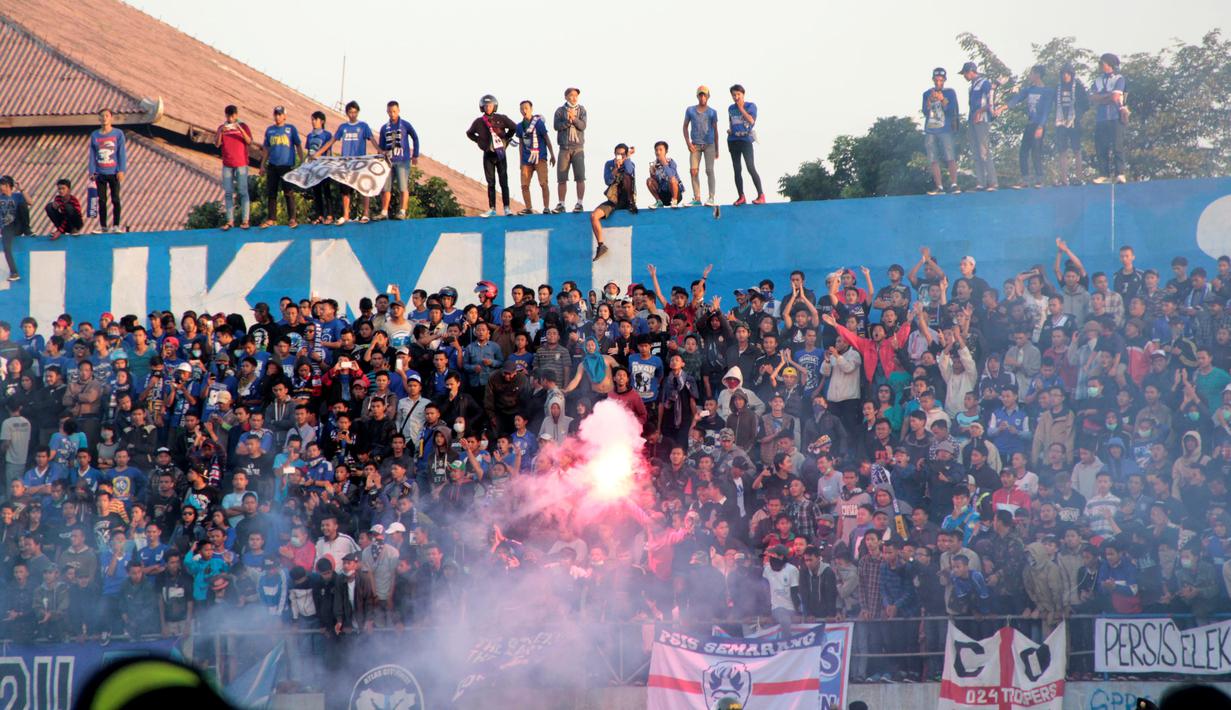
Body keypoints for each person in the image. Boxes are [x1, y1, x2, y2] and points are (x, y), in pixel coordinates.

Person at [313, 100, 381, 225]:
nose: (353, 115)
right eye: (350, 112)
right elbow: (332, 140)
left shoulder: (363, 126)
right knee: (345, 189)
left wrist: (381, 152)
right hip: (346, 163)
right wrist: (318, 153)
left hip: (359, 162)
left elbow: (372, 140)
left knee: (363, 187)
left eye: (355, 112)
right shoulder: (343, 127)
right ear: (347, 113)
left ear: (358, 112)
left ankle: (365, 214)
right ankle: (346, 215)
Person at [997, 65, 1052, 189]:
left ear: (1037, 74)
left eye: (1031, 73)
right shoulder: (1028, 90)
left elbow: (1046, 111)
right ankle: (1025, 179)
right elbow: (1015, 100)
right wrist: (1001, 108)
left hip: (1039, 125)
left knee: (1036, 151)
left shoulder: (1047, 91)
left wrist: (1041, 126)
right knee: (1023, 151)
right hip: (1030, 124)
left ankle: (1039, 179)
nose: (1029, 76)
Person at [466, 95, 517, 218]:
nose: (488, 107)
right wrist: (480, 141)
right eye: (486, 105)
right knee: (491, 182)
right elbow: (469, 133)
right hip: (488, 154)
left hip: (500, 153)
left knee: (504, 181)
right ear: (482, 107)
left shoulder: (501, 118)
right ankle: (492, 208)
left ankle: (507, 208)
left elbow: (514, 127)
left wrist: (506, 139)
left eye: (490, 105)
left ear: (494, 106)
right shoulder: (478, 121)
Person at [590, 144, 637, 261]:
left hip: (626, 198)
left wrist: (627, 159)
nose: (619, 156)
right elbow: (608, 181)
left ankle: (631, 204)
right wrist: (615, 168)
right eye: (618, 154)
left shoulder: (629, 163)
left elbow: (630, 172)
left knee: (626, 177)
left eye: (622, 154)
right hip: (613, 199)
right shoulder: (609, 164)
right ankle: (601, 245)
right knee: (594, 216)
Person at [259, 106, 304, 229]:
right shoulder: (270, 130)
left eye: (280, 114)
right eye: (276, 114)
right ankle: (271, 218)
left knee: (288, 192)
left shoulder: (291, 129)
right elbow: (266, 149)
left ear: (285, 116)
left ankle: (292, 218)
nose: (277, 117)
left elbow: (298, 145)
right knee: (271, 192)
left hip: (286, 165)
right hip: (273, 165)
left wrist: (302, 161)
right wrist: (262, 165)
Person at [377, 100, 421, 221]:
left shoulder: (405, 125)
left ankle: (402, 211)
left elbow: (415, 138)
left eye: (394, 111)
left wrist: (415, 155)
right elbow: (381, 147)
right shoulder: (384, 128)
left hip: (402, 160)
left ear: (399, 110)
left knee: (403, 186)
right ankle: (384, 211)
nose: (392, 114)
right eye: (390, 111)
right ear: (387, 111)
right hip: (388, 161)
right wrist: (381, 158)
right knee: (386, 188)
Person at [1090, 52, 1128, 185]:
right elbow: (1093, 98)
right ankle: (1104, 174)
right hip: (1101, 118)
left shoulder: (1119, 78)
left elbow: (1115, 98)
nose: (1100, 66)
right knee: (1101, 147)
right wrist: (1106, 97)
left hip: (1115, 116)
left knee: (1117, 145)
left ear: (1109, 65)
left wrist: (1103, 98)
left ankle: (1120, 173)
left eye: (1102, 63)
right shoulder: (1097, 80)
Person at [921, 67, 960, 195]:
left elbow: (951, 110)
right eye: (937, 80)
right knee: (932, 158)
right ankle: (939, 186)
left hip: (945, 128)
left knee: (950, 156)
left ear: (944, 80)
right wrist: (929, 101)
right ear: (933, 79)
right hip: (931, 129)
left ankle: (954, 184)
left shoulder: (950, 92)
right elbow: (925, 112)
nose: (939, 82)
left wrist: (942, 99)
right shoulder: (927, 93)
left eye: (941, 80)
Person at [960, 61, 999, 191]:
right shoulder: (971, 87)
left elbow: (991, 101)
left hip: (982, 120)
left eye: (965, 73)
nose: (964, 76)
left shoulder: (984, 83)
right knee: (976, 152)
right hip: (972, 120)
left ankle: (993, 182)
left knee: (984, 151)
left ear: (971, 71)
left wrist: (981, 111)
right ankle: (981, 182)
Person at [214, 105, 253, 231]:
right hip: (227, 164)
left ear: (236, 115)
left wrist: (240, 130)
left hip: (241, 163)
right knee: (228, 192)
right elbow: (217, 144)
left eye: (232, 116)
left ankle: (245, 220)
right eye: (228, 116)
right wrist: (221, 132)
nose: (230, 118)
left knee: (243, 191)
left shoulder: (243, 126)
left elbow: (249, 141)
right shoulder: (222, 127)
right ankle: (230, 221)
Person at [87, 108, 126, 234]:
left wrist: (121, 170)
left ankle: (116, 225)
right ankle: (103, 226)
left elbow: (121, 153)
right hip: (100, 172)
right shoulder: (95, 135)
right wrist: (92, 171)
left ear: (111, 118)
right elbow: (92, 154)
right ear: (99, 118)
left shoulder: (118, 134)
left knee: (115, 199)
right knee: (102, 200)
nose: (104, 118)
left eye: (107, 116)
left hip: (114, 172)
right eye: (102, 116)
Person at [514, 100, 555, 215]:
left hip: (540, 156)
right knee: (524, 184)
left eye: (526, 108)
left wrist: (552, 154)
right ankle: (528, 208)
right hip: (526, 159)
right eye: (522, 109)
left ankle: (546, 207)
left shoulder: (538, 123)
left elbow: (546, 138)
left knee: (543, 182)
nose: (524, 111)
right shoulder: (519, 126)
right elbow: (521, 143)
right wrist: (521, 161)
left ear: (531, 109)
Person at [726, 84, 764, 205]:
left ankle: (761, 195)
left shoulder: (751, 106)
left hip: (746, 140)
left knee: (750, 167)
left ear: (743, 94)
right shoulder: (730, 108)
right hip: (733, 140)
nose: (736, 97)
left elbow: (751, 121)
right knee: (737, 169)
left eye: (738, 94)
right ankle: (741, 196)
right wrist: (730, 130)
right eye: (733, 95)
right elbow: (731, 122)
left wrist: (741, 108)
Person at [552, 87, 587, 214]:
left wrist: (574, 119)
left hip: (578, 147)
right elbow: (556, 126)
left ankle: (579, 203)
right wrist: (568, 121)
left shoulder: (582, 110)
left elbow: (583, 126)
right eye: (571, 95)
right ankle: (561, 204)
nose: (574, 97)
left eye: (576, 95)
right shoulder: (560, 111)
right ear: (566, 97)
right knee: (561, 178)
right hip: (564, 147)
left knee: (580, 177)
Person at [683, 86, 720, 207]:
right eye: (700, 95)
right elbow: (685, 127)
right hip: (695, 145)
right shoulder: (690, 110)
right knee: (693, 170)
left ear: (708, 96)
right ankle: (697, 197)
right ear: (697, 96)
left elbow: (715, 130)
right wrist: (688, 143)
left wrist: (717, 149)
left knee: (709, 170)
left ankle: (711, 197)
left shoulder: (712, 112)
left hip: (709, 144)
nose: (702, 97)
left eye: (704, 95)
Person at [1053, 63, 1089, 186]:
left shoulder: (1078, 86)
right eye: (1063, 73)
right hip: (1060, 122)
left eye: (1068, 73)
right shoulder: (1057, 88)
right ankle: (1064, 179)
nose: (1065, 76)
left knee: (1077, 149)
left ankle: (1079, 177)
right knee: (1062, 150)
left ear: (1072, 74)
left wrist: (1079, 117)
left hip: (1075, 122)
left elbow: (1086, 104)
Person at [304, 111, 334, 224]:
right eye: (312, 119)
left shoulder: (327, 135)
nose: (313, 122)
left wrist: (329, 165)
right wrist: (306, 165)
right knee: (316, 192)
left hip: (323, 166)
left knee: (326, 190)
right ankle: (320, 215)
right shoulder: (310, 135)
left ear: (322, 121)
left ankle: (330, 215)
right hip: (313, 167)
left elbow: (329, 151)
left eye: (315, 120)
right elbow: (309, 151)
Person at [0, 176, 31, 282]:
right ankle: (14, 272)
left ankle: (28, 230)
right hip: (7, 227)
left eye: (2, 185)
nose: (0, 187)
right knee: (6, 247)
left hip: (18, 224)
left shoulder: (17, 196)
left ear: (7, 185)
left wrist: (22, 190)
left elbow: (30, 202)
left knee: (23, 205)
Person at [645, 141, 683, 209]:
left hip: (675, 194)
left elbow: (671, 176)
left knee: (672, 179)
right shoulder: (654, 164)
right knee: (649, 180)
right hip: (663, 195)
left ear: (666, 151)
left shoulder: (671, 161)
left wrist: (664, 164)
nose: (658, 152)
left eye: (661, 150)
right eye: (656, 150)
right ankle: (659, 202)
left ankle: (674, 202)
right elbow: (654, 183)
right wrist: (652, 174)